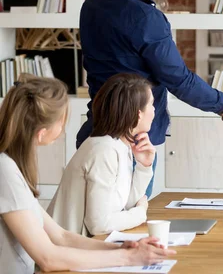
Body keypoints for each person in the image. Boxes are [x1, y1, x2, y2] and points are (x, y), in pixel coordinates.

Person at [77, 0, 223, 197]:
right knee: (125, 229)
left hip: (94, 132)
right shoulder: (145, 16)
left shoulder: (92, 2)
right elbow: (177, 77)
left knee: (97, 224)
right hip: (132, 142)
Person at [0, 75, 175, 274]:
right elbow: (48, 258)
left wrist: (123, 248)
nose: (63, 128)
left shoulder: (13, 168)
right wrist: (127, 256)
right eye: (62, 120)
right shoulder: (5, 171)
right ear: (42, 132)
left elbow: (61, 236)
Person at [49, 73, 156, 236]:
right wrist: (140, 213)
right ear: (138, 114)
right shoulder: (104, 151)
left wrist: (143, 166)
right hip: (68, 252)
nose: (154, 111)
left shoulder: (120, 146)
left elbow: (125, 206)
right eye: (151, 105)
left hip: (85, 247)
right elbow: (99, 224)